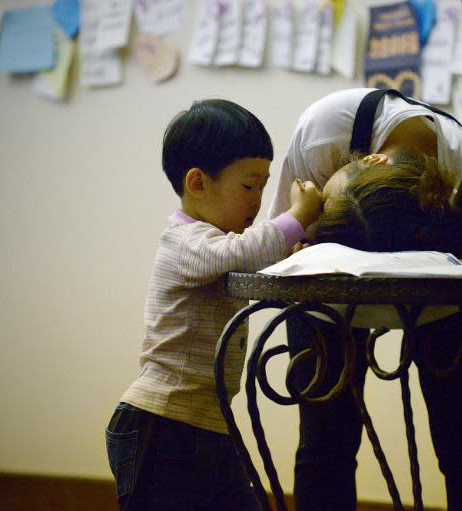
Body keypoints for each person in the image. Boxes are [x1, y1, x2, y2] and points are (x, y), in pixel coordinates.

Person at [105, 99, 323, 511]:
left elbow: (251, 262)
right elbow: (238, 254)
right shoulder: (184, 243)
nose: (258, 201)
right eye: (248, 186)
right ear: (198, 184)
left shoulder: (218, 247)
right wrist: (297, 216)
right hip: (162, 424)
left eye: (264, 185)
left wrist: (294, 249)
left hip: (206, 424)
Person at [267, 88, 462, 511]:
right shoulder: (324, 132)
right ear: (367, 160)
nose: (318, 201)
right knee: (325, 439)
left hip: (441, 289)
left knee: (461, 440)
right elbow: (280, 239)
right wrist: (305, 239)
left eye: (326, 205)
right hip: (327, 289)